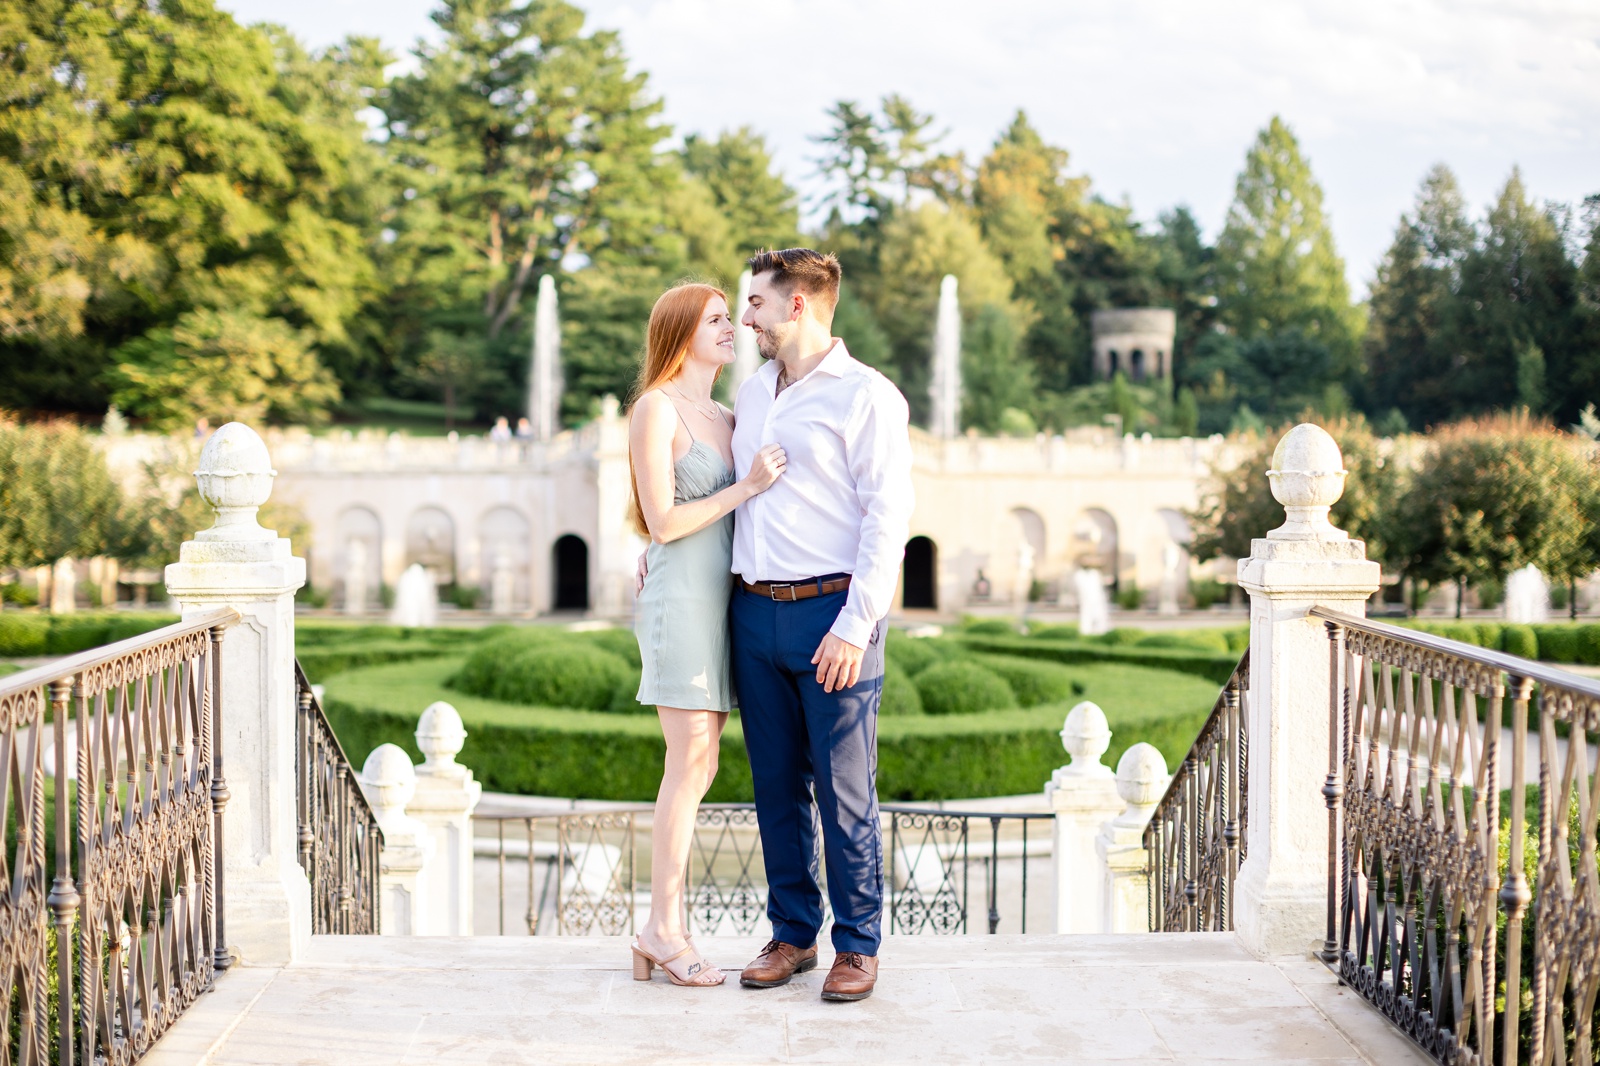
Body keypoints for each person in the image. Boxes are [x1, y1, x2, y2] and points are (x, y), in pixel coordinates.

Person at [730, 248, 913, 1002]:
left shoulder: (867, 395)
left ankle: (858, 946)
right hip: (752, 611)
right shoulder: (751, 393)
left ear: (798, 305)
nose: (747, 318)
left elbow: (888, 514)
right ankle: (793, 935)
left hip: (833, 614)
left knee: (844, 794)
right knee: (774, 788)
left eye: (757, 305)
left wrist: (856, 622)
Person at [626, 282, 787, 987]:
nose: (731, 328)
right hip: (680, 604)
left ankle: (661, 929)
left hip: (725, 603)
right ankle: (663, 930)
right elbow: (661, 521)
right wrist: (745, 487)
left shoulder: (727, 412)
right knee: (687, 763)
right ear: (681, 331)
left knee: (703, 764)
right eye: (717, 319)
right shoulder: (654, 409)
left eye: (731, 318)